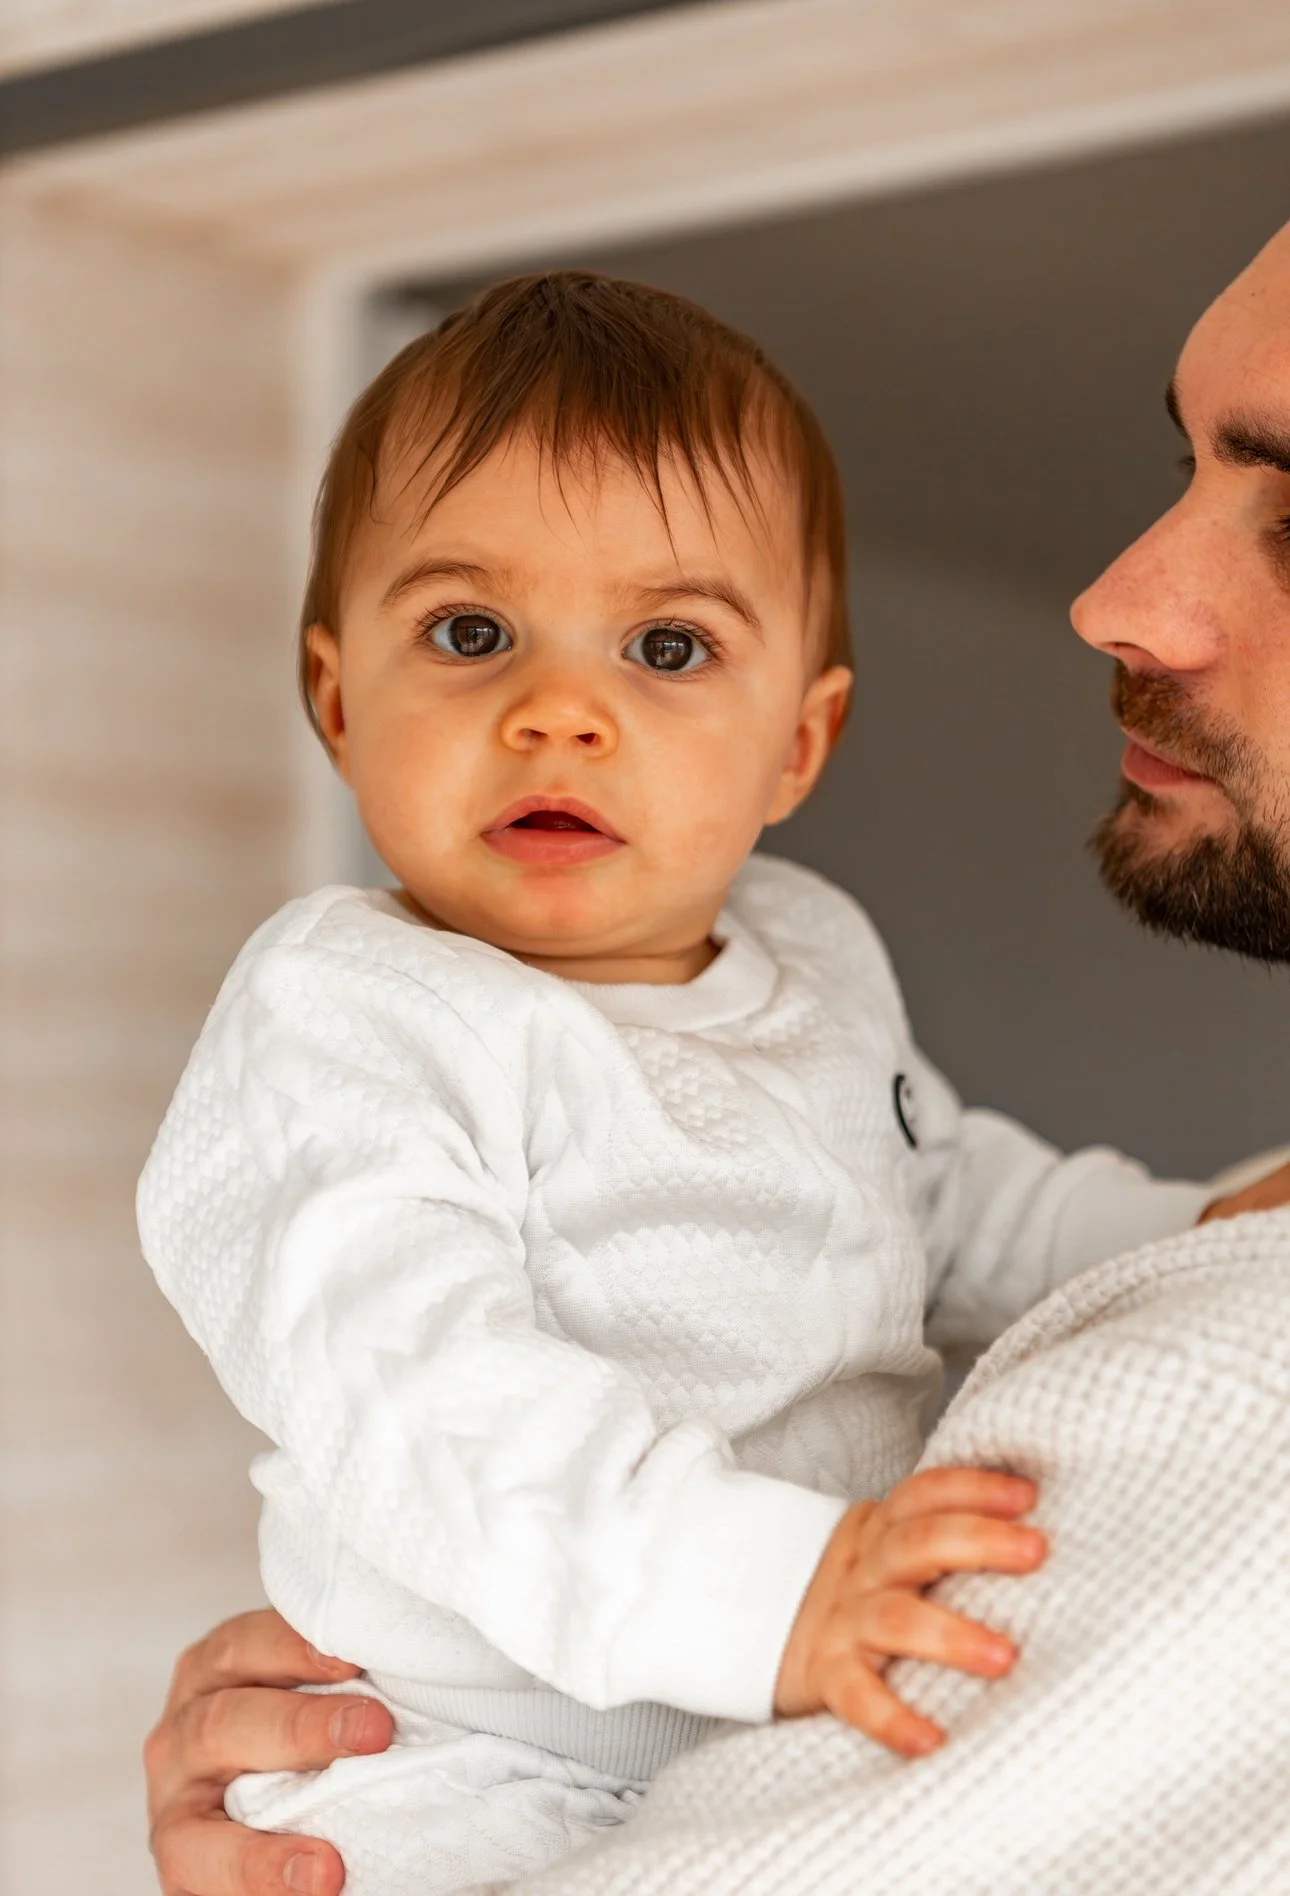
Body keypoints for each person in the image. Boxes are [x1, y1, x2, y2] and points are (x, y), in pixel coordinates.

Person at [141, 228, 1290, 1896]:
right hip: (468, 1748)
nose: (557, 713)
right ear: (334, 699)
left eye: (666, 649)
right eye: (468, 633)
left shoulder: (805, 954)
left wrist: (1188, 1233)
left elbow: (946, 1200)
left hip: (758, 1688)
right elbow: (416, 1387)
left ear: (797, 746)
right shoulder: (351, 1018)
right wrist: (765, 1594)